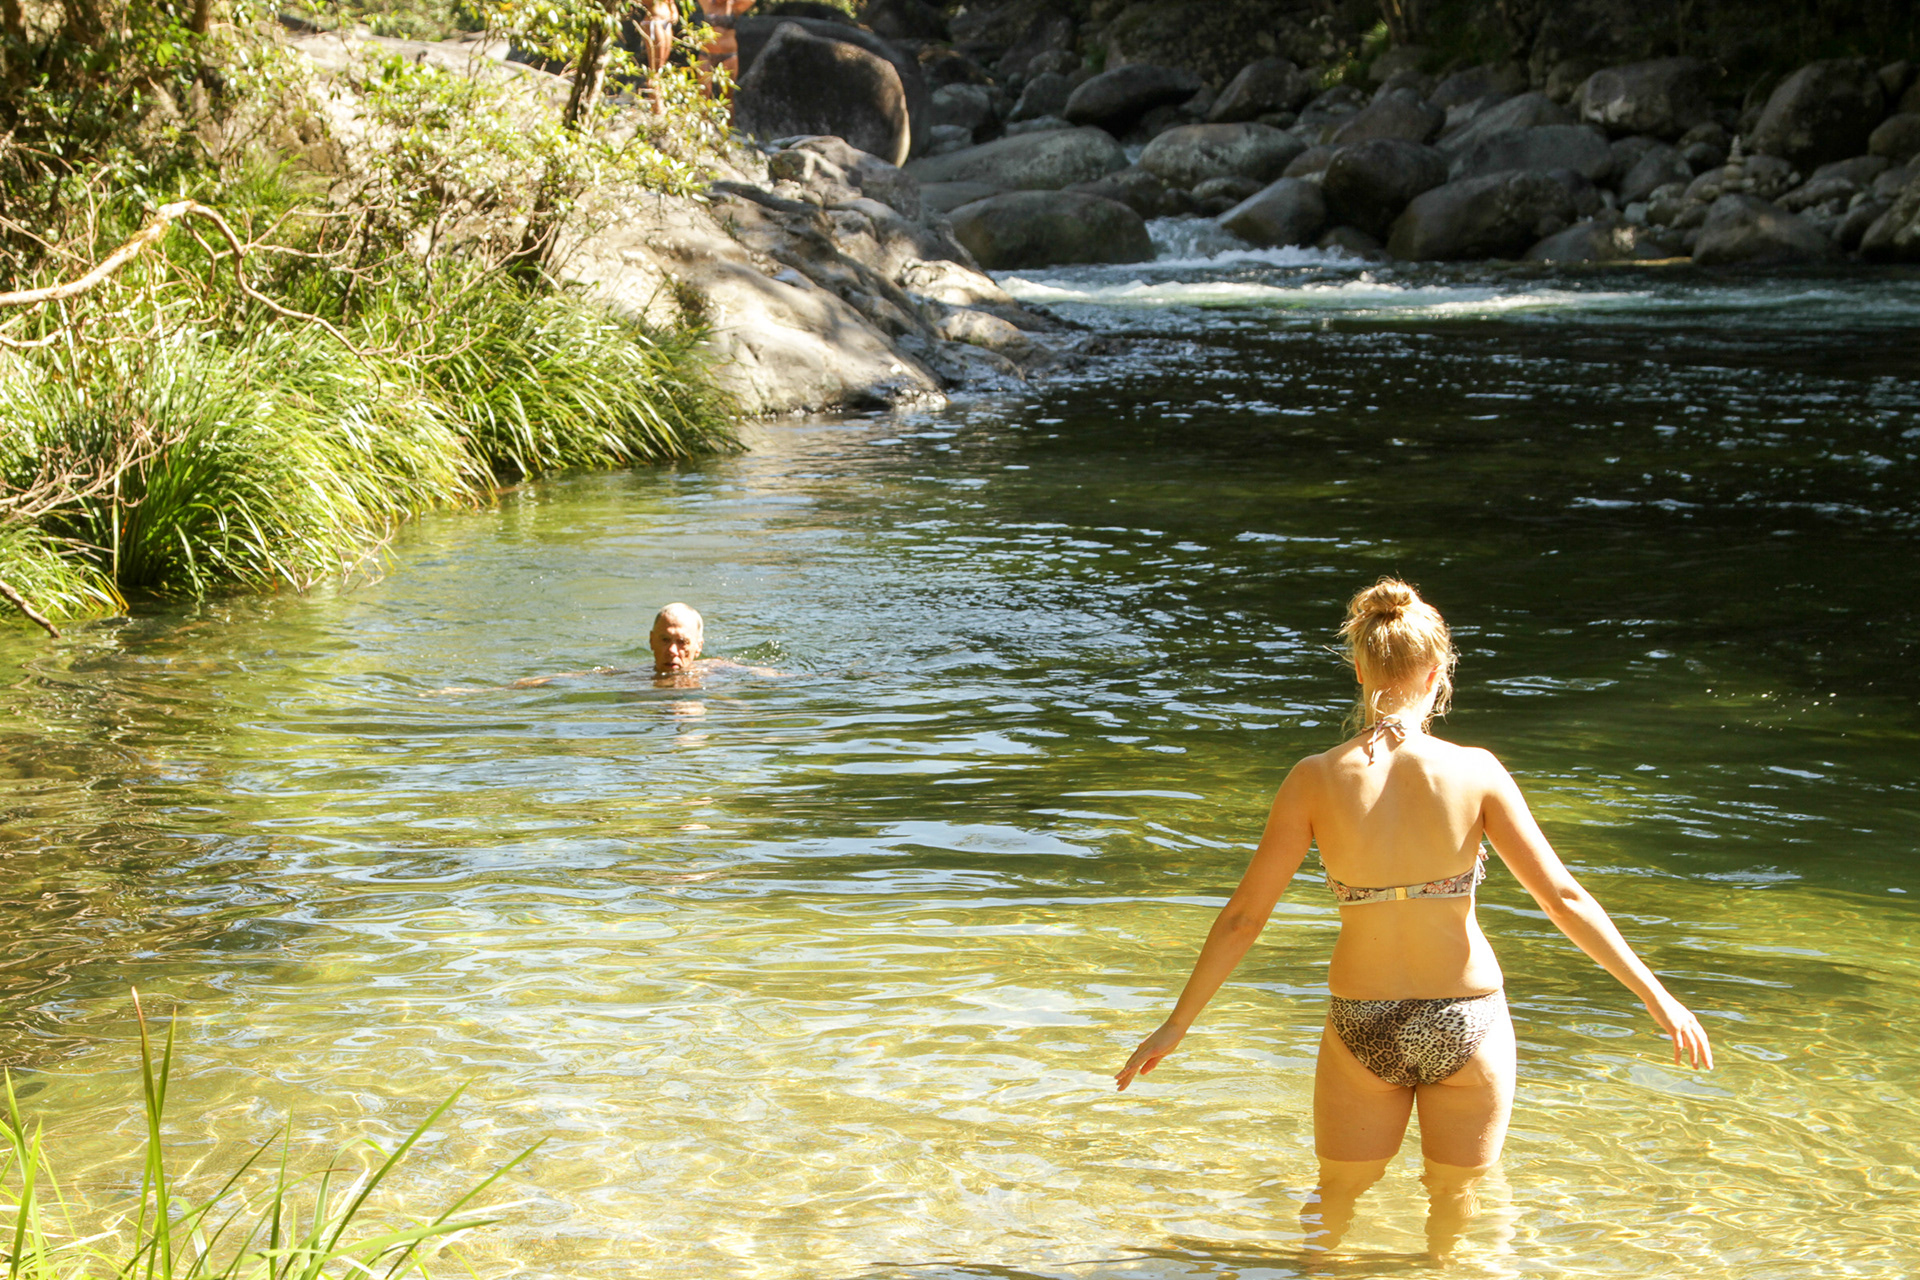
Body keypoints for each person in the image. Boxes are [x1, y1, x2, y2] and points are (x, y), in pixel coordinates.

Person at [1114, 578, 1714, 1258]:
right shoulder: (1476, 770)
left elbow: (1245, 918)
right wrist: (1657, 998)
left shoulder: (1313, 777)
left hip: (1360, 1017)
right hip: (1468, 1015)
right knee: (1456, 1208)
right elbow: (1562, 899)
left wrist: (1176, 1023)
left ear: (1362, 669)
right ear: (1438, 673)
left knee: (1335, 1197)